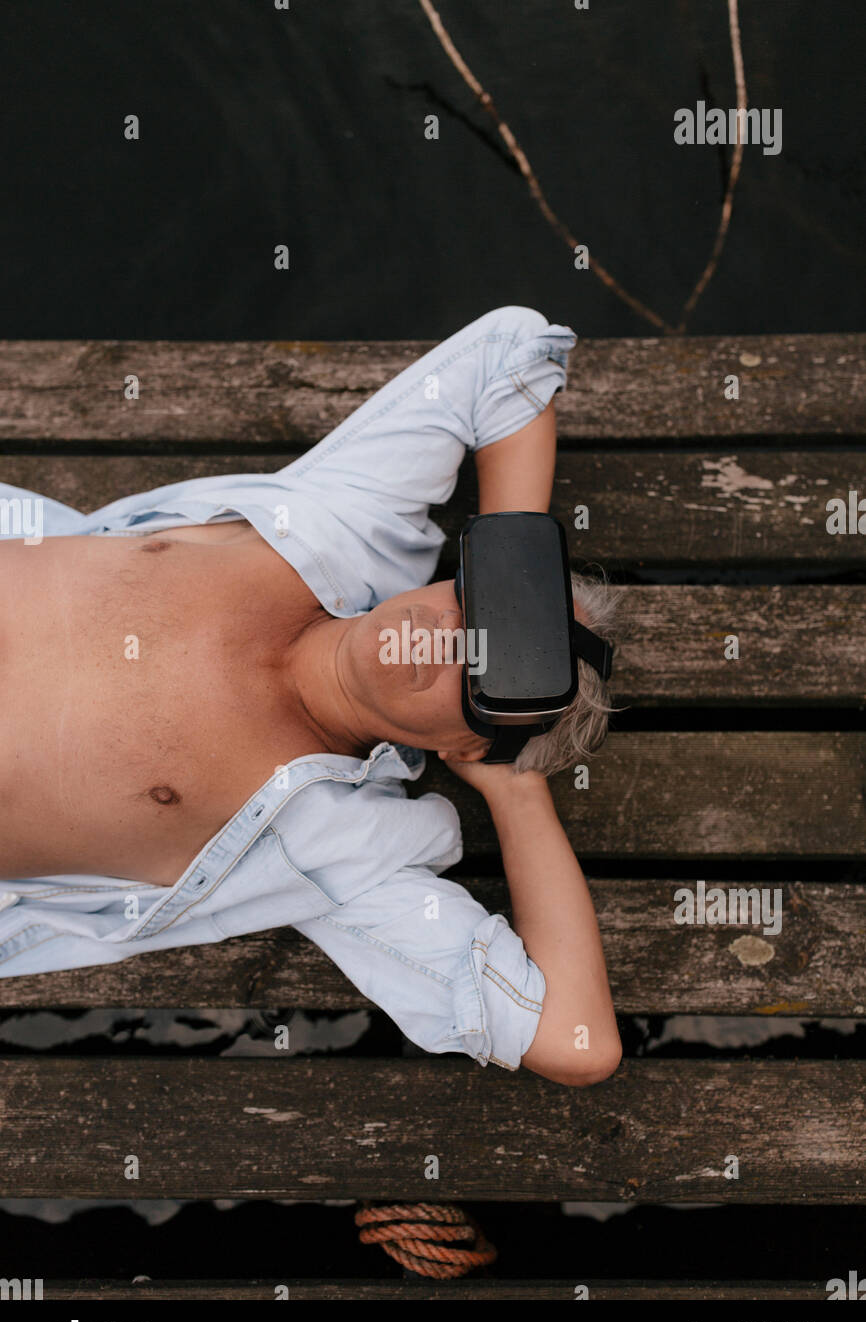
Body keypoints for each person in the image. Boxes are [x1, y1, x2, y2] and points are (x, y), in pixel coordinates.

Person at [0, 306, 621, 1087]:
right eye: (486, 600)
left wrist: (517, 790)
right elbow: (511, 352)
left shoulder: (335, 845)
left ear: (464, 747)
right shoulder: (353, 525)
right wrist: (516, 554)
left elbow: (577, 1041)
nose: (447, 636)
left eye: (487, 674)